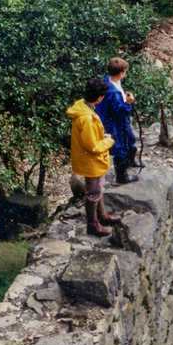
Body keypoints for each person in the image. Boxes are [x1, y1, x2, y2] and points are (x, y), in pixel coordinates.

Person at [67, 78, 121, 237]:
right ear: (100, 97)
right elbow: (92, 147)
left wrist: (100, 137)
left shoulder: (84, 108)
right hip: (91, 161)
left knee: (98, 189)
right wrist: (108, 141)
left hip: (89, 159)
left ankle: (102, 216)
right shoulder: (87, 118)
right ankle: (93, 224)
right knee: (93, 192)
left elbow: (89, 139)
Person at [95, 56, 140, 185]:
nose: (125, 74)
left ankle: (130, 161)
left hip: (111, 119)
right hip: (115, 123)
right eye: (125, 71)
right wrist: (129, 103)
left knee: (130, 138)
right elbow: (120, 112)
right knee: (120, 146)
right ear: (121, 73)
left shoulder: (108, 80)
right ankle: (122, 176)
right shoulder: (113, 92)